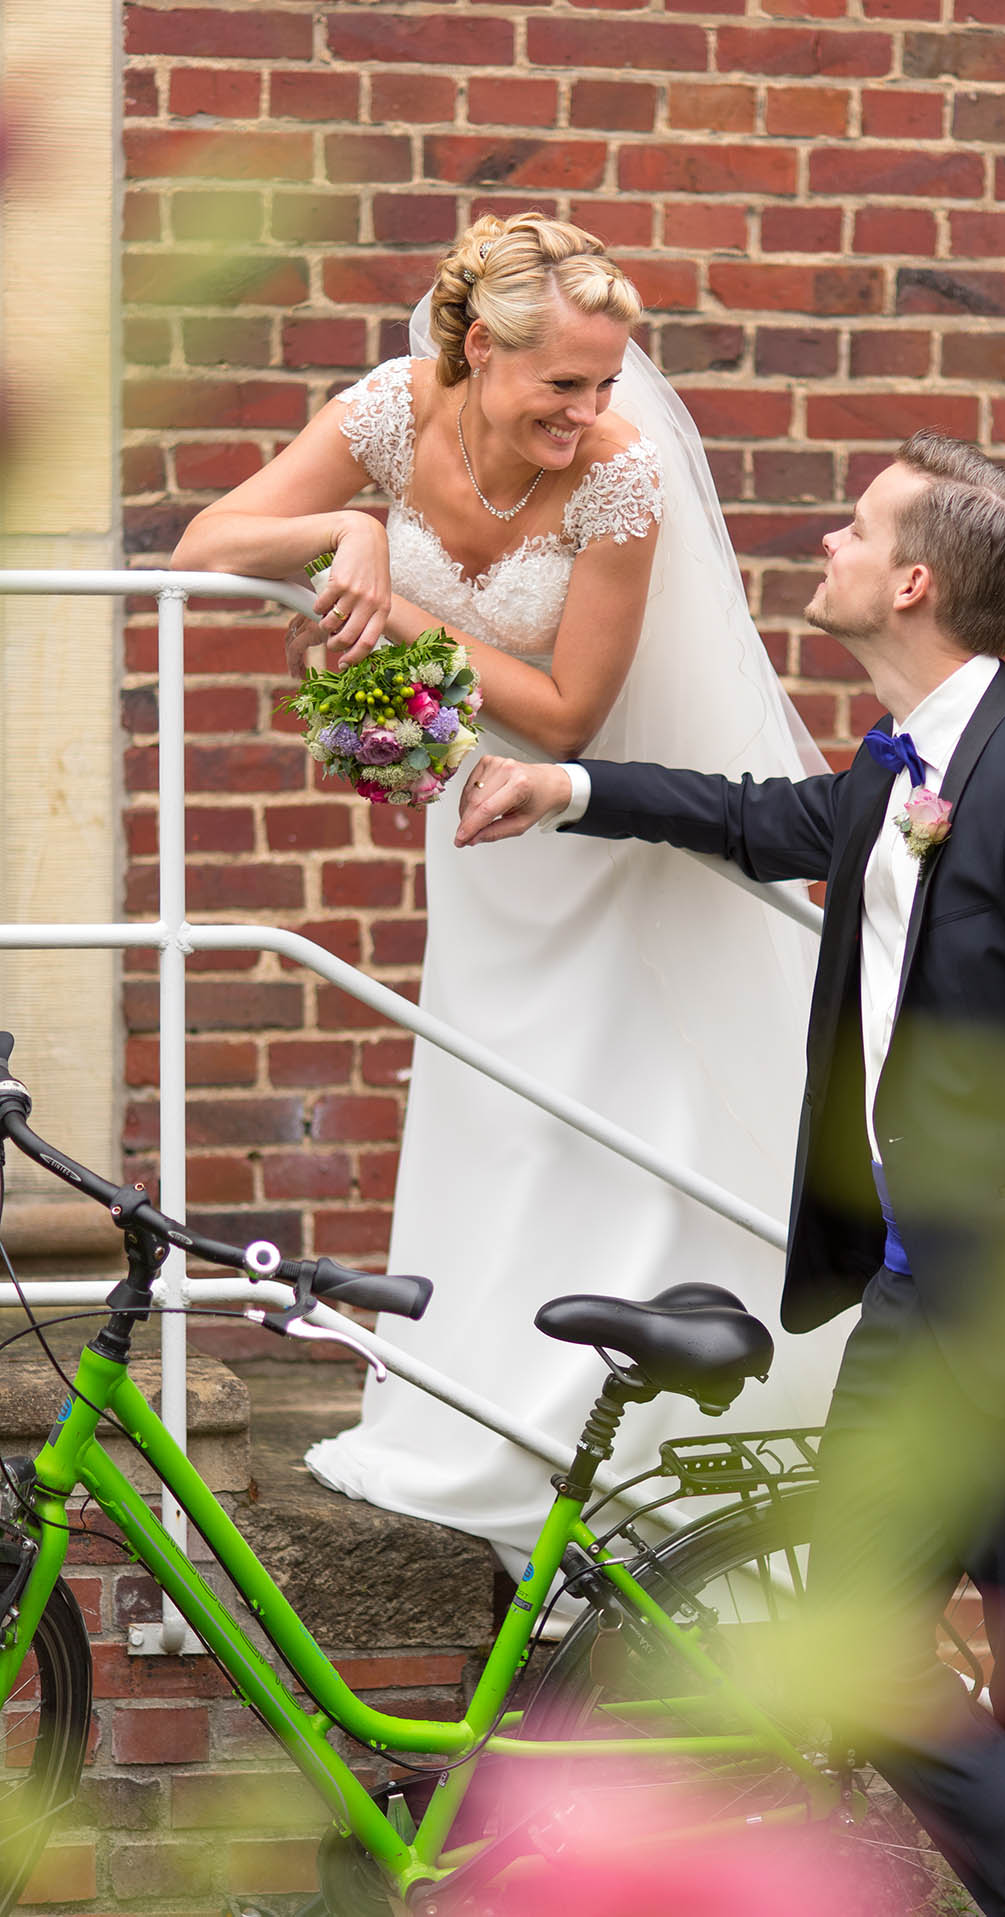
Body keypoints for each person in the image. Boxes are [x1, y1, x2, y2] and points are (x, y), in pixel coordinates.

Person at [453, 432, 1005, 1917]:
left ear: (914, 580)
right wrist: (568, 786)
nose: (825, 548)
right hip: (917, 1302)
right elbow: (753, 817)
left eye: (855, 530)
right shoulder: (895, 773)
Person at [171, 211, 844, 1572]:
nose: (590, 410)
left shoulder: (619, 480)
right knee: (493, 1087)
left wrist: (407, 613)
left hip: (597, 828)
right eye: (563, 384)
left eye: (607, 384)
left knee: (620, 1097)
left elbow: (568, 709)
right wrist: (344, 532)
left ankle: (625, 1429)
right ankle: (473, 1401)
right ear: (481, 347)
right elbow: (202, 545)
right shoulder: (385, 411)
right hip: (481, 840)